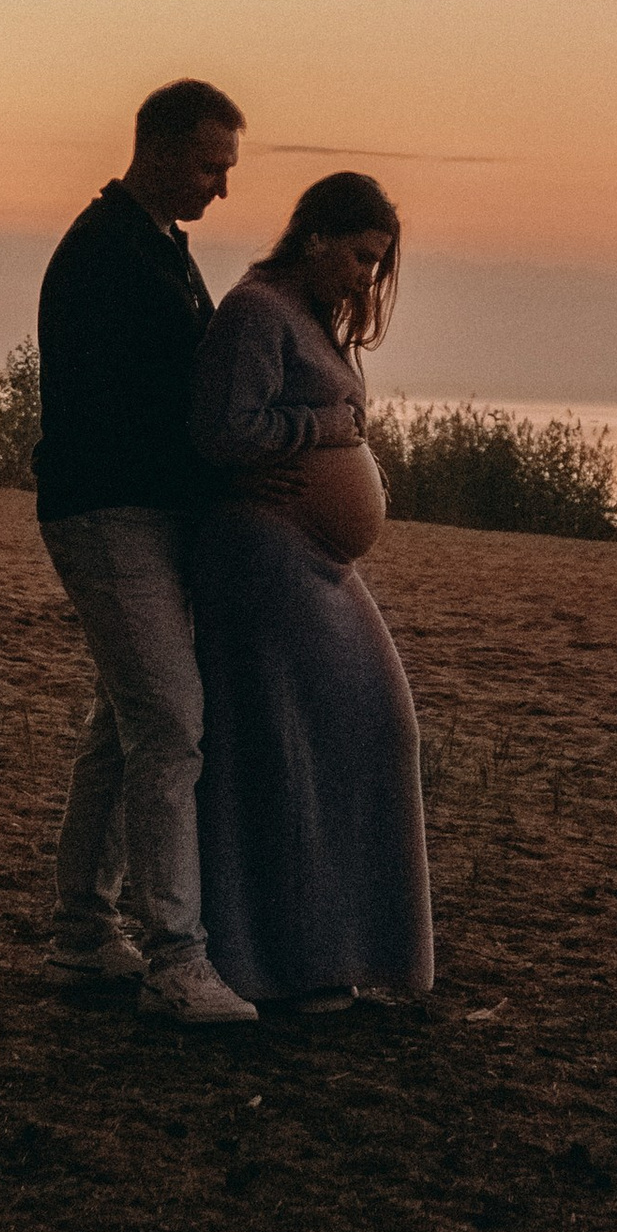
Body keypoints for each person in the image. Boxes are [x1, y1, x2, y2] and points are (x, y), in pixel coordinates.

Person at [34, 80, 260, 1024]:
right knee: (170, 723)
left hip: (140, 514)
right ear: (160, 149)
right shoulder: (105, 256)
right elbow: (143, 409)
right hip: (109, 514)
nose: (220, 187)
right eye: (211, 165)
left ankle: (85, 929)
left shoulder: (161, 248)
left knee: (122, 724)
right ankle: (177, 959)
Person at [186, 172, 434, 1010]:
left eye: (379, 264)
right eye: (362, 257)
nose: (368, 277)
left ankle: (346, 953)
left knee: (376, 727)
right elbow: (222, 431)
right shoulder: (256, 312)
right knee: (287, 752)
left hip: (318, 564)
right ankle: (294, 967)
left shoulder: (312, 322)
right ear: (317, 235)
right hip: (263, 560)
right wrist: (321, 430)